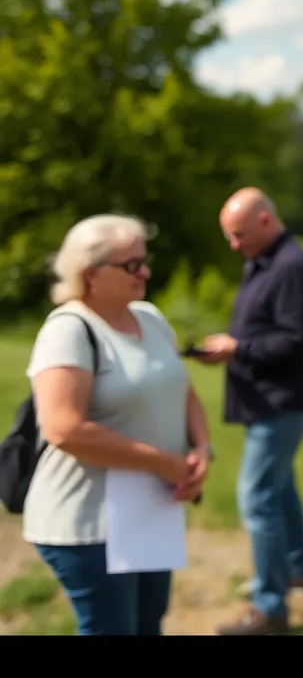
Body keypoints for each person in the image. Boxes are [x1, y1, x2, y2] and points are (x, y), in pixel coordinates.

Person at [23, 214, 213, 635]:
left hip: (149, 511)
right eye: (130, 265)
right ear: (90, 274)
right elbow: (63, 429)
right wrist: (164, 463)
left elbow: (181, 388)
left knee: (148, 625)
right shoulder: (68, 331)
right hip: (86, 521)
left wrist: (201, 450)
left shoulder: (149, 317)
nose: (144, 271)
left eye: (143, 260)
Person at [196, 188, 303, 636]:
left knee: (257, 498)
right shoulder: (264, 260)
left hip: (281, 403)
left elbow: (296, 341)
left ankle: (270, 609)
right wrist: (234, 348)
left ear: (267, 222)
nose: (233, 245)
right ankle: (297, 571)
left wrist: (239, 348)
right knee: (280, 488)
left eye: (238, 235)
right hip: (270, 401)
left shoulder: (291, 267)